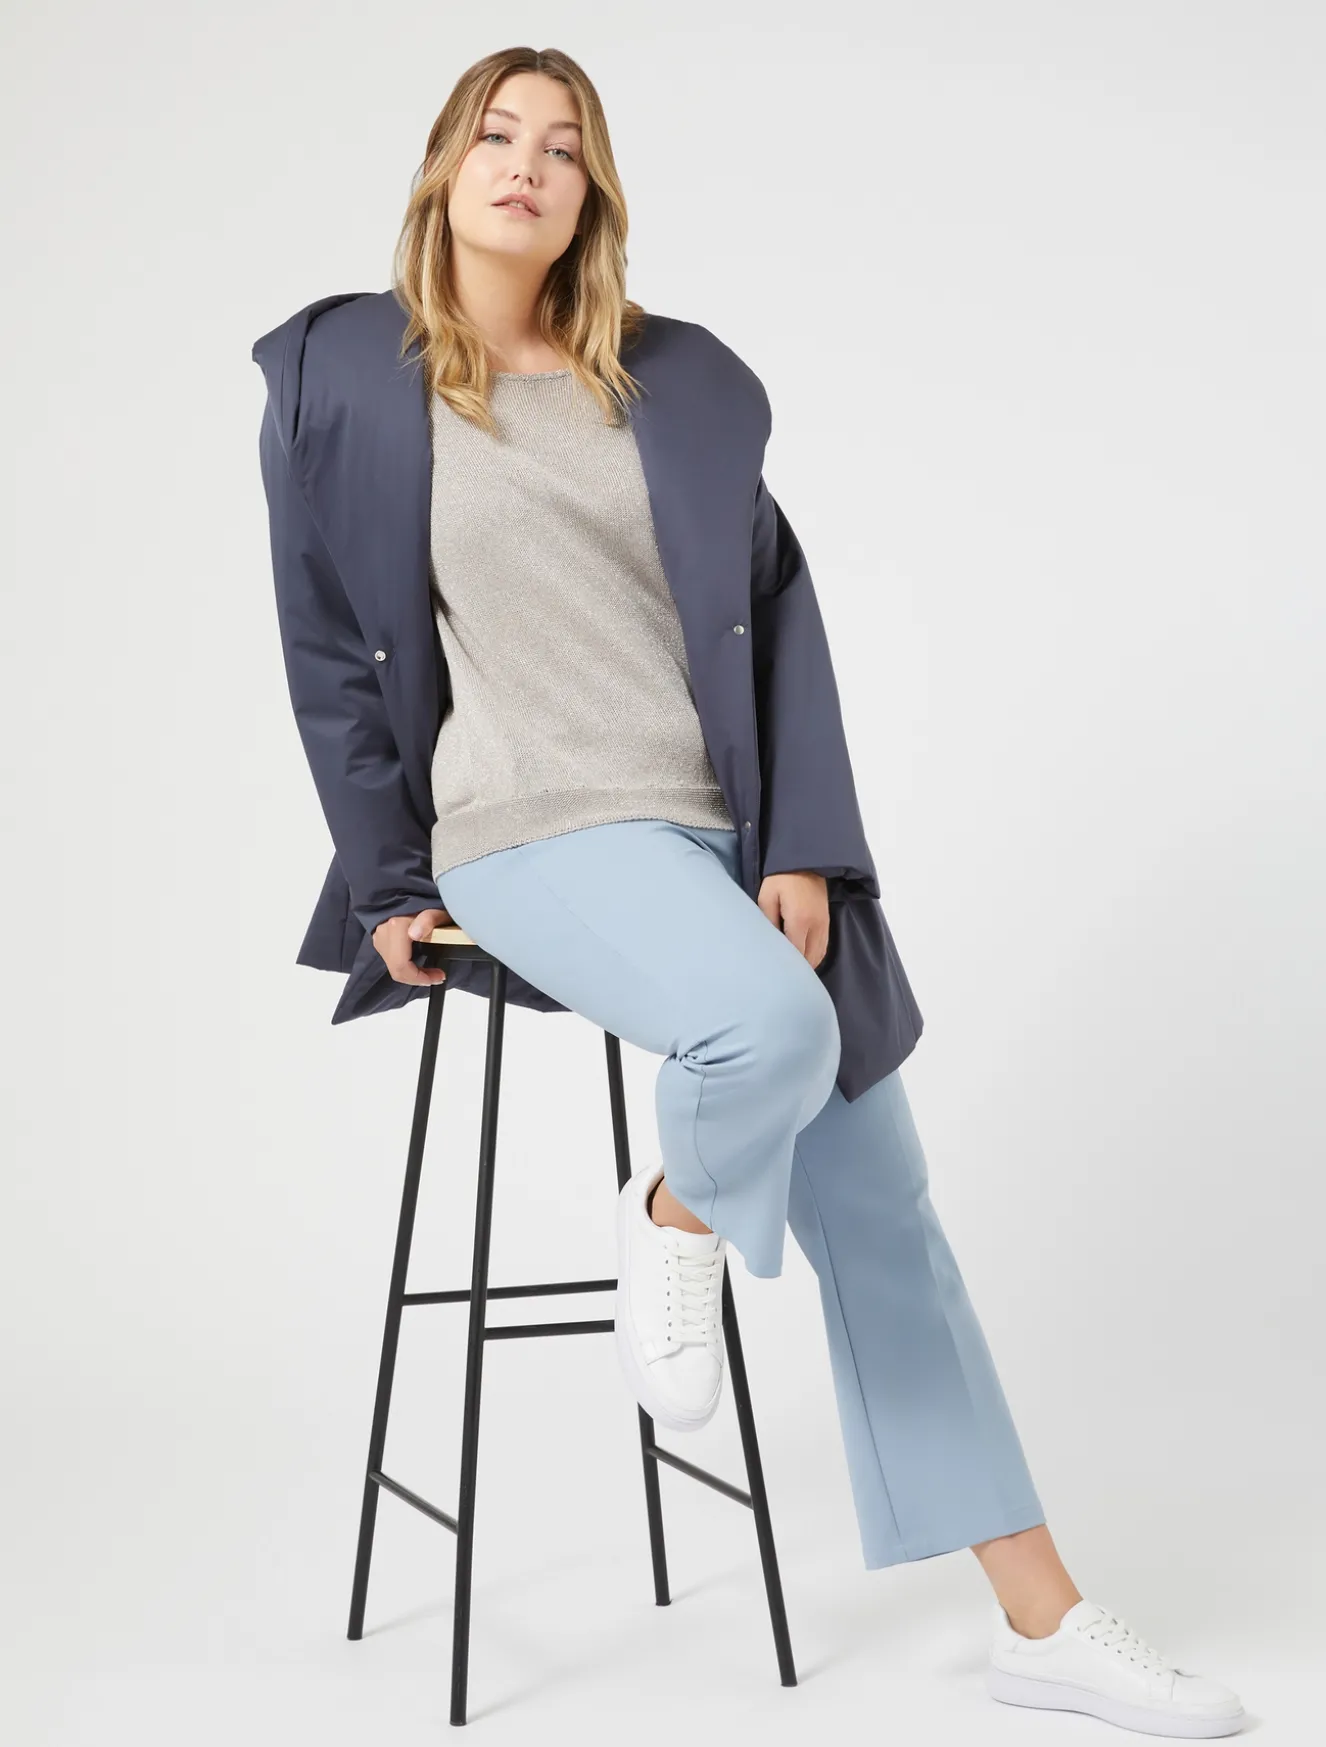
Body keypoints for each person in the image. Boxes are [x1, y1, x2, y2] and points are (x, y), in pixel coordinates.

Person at [253, 44, 1245, 1738]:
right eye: (495, 134)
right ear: (442, 167)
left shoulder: (671, 383)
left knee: (886, 1210)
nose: (525, 164)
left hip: (720, 825)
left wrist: (801, 845)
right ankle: (673, 1220)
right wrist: (383, 878)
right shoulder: (343, 372)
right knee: (767, 1031)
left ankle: (1041, 1619)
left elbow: (777, 616)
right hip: (527, 829)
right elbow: (325, 651)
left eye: (562, 146)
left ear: (592, 193)